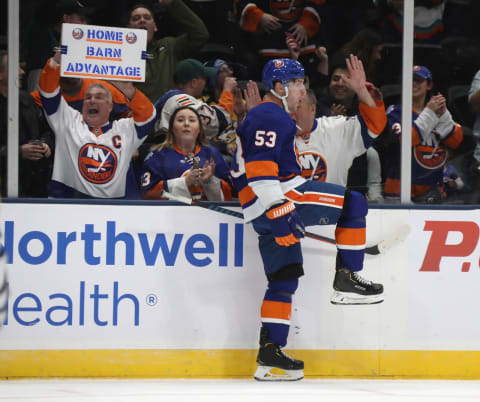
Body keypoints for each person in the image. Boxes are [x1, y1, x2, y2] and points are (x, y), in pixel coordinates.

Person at [231, 56, 384, 381]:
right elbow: (260, 172)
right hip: (284, 195)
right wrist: (279, 206)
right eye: (298, 82)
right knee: (353, 201)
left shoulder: (265, 116)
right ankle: (347, 278)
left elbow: (251, 169)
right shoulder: (271, 114)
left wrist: (269, 210)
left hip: (263, 209)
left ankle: (269, 355)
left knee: (283, 280)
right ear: (278, 87)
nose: (303, 89)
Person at [38, 52, 156, 198]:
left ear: (110, 106)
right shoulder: (68, 121)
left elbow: (149, 116)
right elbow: (48, 92)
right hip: (68, 206)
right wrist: (56, 62)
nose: (92, 100)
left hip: (113, 209)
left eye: (99, 97)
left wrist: (128, 90)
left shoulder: (124, 129)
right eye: (88, 97)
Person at [383, 65, 464, 202]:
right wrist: (429, 113)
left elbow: (456, 141)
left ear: (429, 85)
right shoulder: (395, 112)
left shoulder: (437, 112)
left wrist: (444, 115)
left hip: (432, 191)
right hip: (399, 190)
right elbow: (406, 140)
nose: (413, 84)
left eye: (418, 80)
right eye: (409, 80)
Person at [294, 87, 386, 202]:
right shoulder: (276, 135)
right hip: (288, 216)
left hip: (331, 215)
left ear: (312, 109)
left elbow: (374, 124)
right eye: (287, 107)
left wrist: (362, 90)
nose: (291, 113)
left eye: (297, 107)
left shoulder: (336, 129)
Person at [139, 106, 232, 201]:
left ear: (199, 129)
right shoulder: (158, 155)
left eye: (192, 120)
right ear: (171, 128)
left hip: (208, 214)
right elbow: (146, 194)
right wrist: (184, 182)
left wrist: (210, 181)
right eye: (180, 120)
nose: (186, 124)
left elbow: (231, 194)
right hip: (171, 214)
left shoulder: (212, 154)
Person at [127, 1, 209, 102]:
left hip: (168, 114)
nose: (142, 20)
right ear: (129, 27)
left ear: (155, 26)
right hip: (135, 115)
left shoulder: (169, 46)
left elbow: (200, 35)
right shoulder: (121, 53)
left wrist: (173, 4)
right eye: (136, 18)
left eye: (147, 17)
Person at [0, 50, 54, 197]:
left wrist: (45, 143)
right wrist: (18, 152)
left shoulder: (26, 99)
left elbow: (47, 130)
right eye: (15, 67)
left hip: (35, 185)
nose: (22, 72)